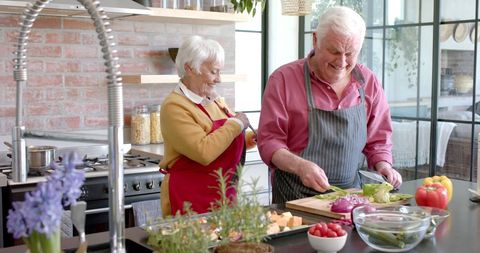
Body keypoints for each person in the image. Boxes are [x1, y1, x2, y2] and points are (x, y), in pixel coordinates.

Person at [257, 6, 402, 205]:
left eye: (350, 53)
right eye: (334, 51)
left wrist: (383, 164)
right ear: (315, 40)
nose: (342, 62)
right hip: (295, 201)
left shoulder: (369, 82)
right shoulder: (283, 80)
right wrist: (300, 166)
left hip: (350, 201)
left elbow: (378, 140)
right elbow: (269, 142)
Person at [159, 35, 255, 217]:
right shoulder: (174, 106)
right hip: (189, 197)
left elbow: (224, 141)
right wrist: (236, 124)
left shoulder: (215, 101)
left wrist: (250, 139)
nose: (218, 79)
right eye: (213, 72)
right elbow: (204, 151)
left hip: (222, 195)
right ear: (189, 69)